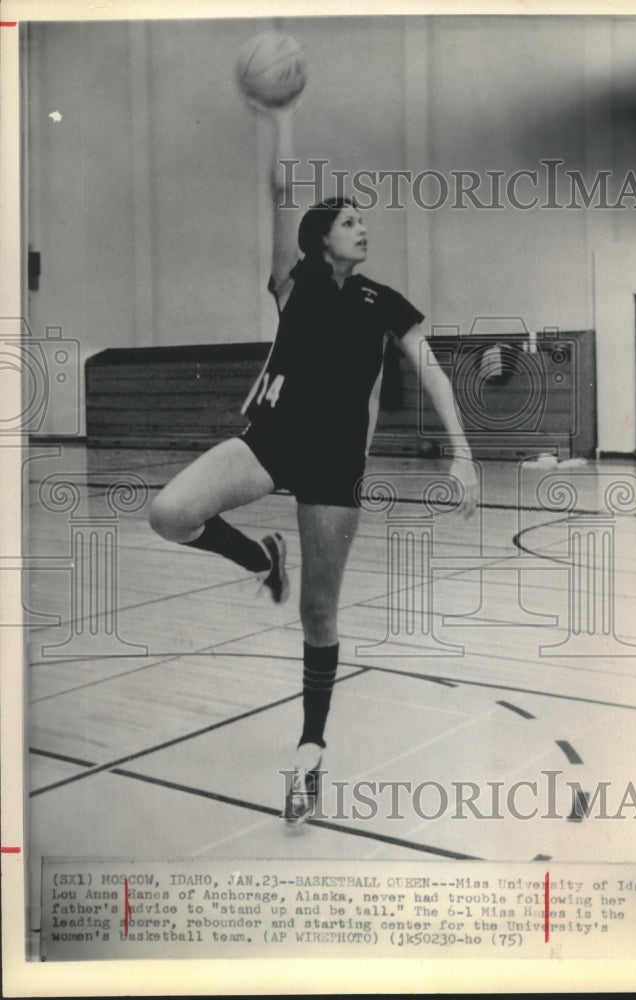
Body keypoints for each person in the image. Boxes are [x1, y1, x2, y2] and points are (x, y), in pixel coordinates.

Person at [148, 99, 478, 825]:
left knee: (318, 612)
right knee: (169, 512)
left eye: (363, 221)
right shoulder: (291, 281)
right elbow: (278, 195)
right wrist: (280, 119)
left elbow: (433, 374)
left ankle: (310, 748)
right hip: (268, 438)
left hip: (334, 461)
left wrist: (463, 455)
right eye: (350, 222)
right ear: (321, 239)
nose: (363, 229)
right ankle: (259, 560)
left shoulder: (382, 300)